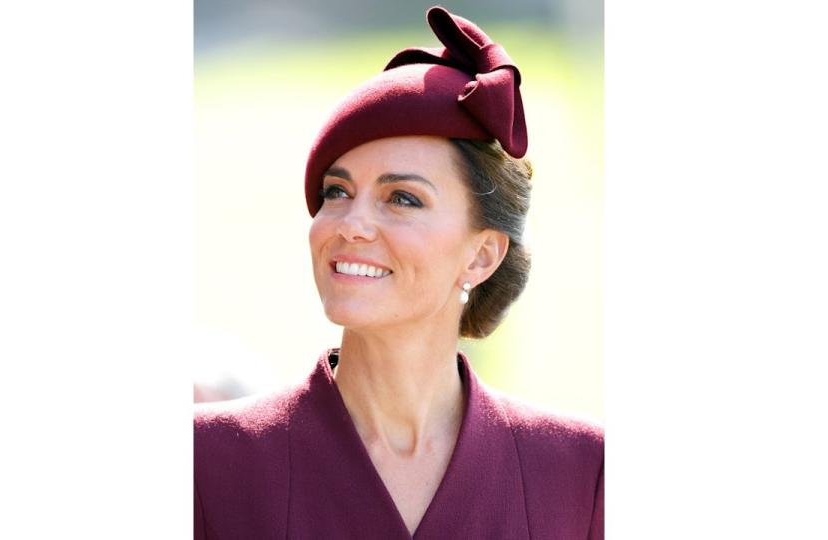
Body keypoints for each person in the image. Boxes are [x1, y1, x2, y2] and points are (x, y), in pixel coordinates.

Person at [194, 6, 603, 539]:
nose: (352, 224)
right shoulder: (206, 464)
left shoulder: (583, 475)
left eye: (402, 198)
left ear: (482, 255)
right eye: (336, 192)